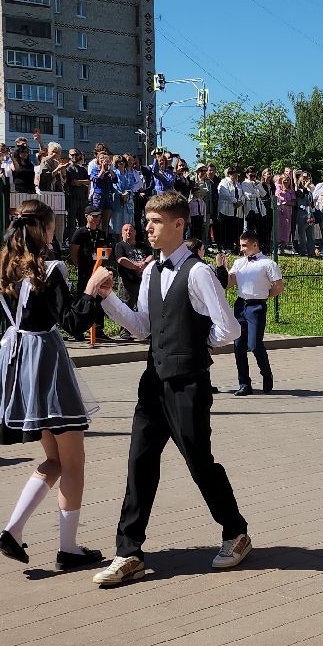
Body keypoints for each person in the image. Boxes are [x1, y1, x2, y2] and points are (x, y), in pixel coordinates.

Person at [82, 192, 251, 588]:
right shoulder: (152, 272)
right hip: (152, 382)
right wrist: (106, 300)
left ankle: (236, 532)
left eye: (156, 222)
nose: (148, 228)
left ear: (178, 225)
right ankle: (128, 552)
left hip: (188, 383)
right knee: (139, 463)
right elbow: (142, 326)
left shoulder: (198, 273)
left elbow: (229, 328)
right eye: (147, 221)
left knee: (199, 462)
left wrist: (194, 344)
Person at [0, 202, 105, 570]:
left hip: (18, 368)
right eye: (52, 227)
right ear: (44, 230)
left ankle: (13, 531)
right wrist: (92, 291)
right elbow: (74, 323)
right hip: (47, 365)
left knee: (55, 460)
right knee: (72, 463)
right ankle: (67, 548)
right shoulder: (48, 271)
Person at [222, 230, 284, 396]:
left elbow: (279, 287)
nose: (241, 248)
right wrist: (224, 269)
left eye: (245, 245)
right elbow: (229, 284)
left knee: (255, 344)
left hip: (256, 306)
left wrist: (263, 296)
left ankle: (266, 374)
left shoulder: (268, 264)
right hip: (240, 305)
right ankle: (244, 383)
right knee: (238, 345)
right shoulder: (239, 262)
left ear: (255, 245)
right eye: (241, 245)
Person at [67, 207, 112, 339]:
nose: (97, 218)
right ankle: (78, 329)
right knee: (83, 298)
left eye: (98, 216)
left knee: (98, 299)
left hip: (97, 270)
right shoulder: (80, 233)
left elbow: (104, 252)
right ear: (87, 216)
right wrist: (79, 265)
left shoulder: (101, 234)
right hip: (85, 271)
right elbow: (74, 253)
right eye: (94, 216)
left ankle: (98, 328)